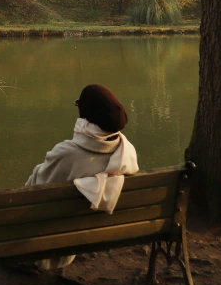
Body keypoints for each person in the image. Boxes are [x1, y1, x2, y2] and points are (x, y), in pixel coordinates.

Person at [26, 84, 138, 270]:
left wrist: (39, 169)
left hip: (53, 234)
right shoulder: (127, 153)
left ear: (86, 113)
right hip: (99, 231)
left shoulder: (67, 153)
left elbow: (34, 192)